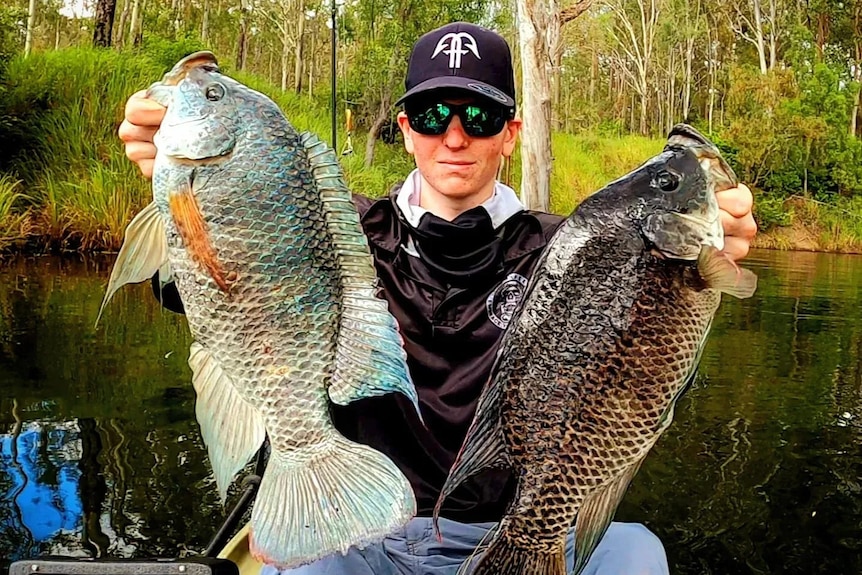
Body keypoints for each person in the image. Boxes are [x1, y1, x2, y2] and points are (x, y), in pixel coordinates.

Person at [119, 22, 757, 575]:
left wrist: (700, 252)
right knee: (305, 563)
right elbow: (216, 283)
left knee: (637, 553)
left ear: (509, 133)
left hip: (520, 530)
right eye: (432, 115)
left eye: (478, 118)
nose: (454, 137)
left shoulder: (574, 251)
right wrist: (187, 198)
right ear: (404, 129)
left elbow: (645, 368)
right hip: (363, 528)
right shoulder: (332, 228)